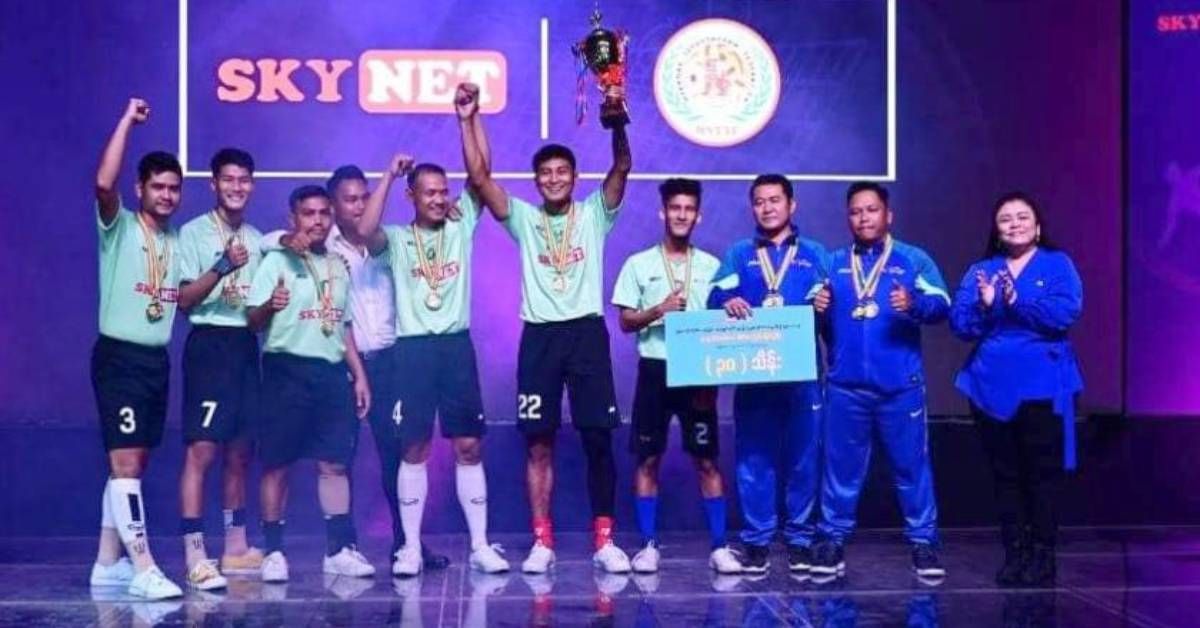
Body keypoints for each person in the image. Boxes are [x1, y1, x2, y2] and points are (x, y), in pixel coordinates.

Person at [457, 81, 634, 574]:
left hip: (586, 335)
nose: (554, 179)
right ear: (536, 181)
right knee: (538, 442)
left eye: (561, 172)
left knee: (598, 439)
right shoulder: (523, 218)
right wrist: (469, 118)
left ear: (575, 177)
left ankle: (605, 541)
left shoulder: (595, 214)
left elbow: (622, 167)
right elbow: (479, 177)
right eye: (545, 173)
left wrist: (617, 122)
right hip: (539, 338)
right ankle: (542, 542)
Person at [265, 165, 452, 572]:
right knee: (338, 459)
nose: (359, 206)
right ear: (332, 206)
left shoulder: (388, 243)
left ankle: (407, 545)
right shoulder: (319, 246)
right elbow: (268, 242)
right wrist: (285, 238)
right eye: (350, 199)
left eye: (364, 198)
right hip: (344, 366)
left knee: (396, 456)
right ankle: (342, 547)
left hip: (391, 362)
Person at [353, 145, 509, 576]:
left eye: (444, 192)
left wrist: (468, 119)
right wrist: (388, 174)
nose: (439, 199)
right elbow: (364, 230)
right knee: (414, 447)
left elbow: (481, 172)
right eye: (429, 193)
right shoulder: (397, 240)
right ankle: (410, 549)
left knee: (469, 445)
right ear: (412, 196)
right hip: (413, 351)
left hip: (456, 348)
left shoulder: (461, 226)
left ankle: (480, 545)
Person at [810, 182, 949, 581]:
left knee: (911, 468)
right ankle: (831, 540)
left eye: (871, 210)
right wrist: (817, 307)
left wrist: (916, 304)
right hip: (845, 387)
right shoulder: (833, 263)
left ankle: (924, 543)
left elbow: (943, 304)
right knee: (840, 469)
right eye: (856, 211)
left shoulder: (913, 260)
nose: (863, 218)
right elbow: (812, 314)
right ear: (848, 218)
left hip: (900, 387)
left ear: (888, 215)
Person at [949, 191, 1083, 587]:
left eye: (1022, 216)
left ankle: (1043, 554)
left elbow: (1064, 314)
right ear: (996, 230)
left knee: (1041, 475)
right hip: (990, 387)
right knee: (1004, 475)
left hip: (1043, 386)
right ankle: (1015, 552)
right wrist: (987, 305)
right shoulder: (983, 270)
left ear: (1037, 226)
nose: (1014, 224)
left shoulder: (1057, 264)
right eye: (1005, 219)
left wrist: (1015, 300)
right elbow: (961, 325)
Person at [610, 178, 740, 574]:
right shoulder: (639, 264)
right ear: (662, 212)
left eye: (688, 209)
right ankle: (649, 546)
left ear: (697, 216)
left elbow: (725, 321)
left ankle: (719, 547)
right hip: (655, 367)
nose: (681, 215)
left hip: (697, 370)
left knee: (707, 460)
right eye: (675, 208)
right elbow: (625, 322)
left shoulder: (713, 267)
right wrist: (658, 310)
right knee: (648, 459)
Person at [246, 185, 375, 582]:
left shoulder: (339, 264)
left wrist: (359, 375)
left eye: (323, 213)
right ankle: (273, 552)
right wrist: (270, 305)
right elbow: (252, 320)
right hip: (286, 370)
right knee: (277, 463)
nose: (317, 221)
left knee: (334, 463)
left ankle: (337, 551)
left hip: (331, 374)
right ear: (293, 218)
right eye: (308, 213)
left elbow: (343, 326)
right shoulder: (276, 260)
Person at [706, 174, 829, 574]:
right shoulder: (739, 254)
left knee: (803, 460)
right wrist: (727, 300)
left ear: (792, 205)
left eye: (775, 200)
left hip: (802, 376)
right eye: (759, 201)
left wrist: (826, 302)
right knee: (754, 460)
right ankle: (757, 543)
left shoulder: (816, 254)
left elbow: (833, 303)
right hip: (756, 373)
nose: (767, 207)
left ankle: (799, 540)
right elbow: (714, 296)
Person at [88, 97, 184, 599]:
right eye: (158, 187)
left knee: (134, 465)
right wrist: (127, 120)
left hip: (155, 362)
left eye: (173, 188)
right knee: (125, 466)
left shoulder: (174, 242)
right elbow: (103, 184)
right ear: (140, 189)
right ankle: (144, 567)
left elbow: (186, 294)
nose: (166, 195)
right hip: (120, 359)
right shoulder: (119, 225)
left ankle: (108, 563)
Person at [175, 148, 264, 590]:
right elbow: (183, 299)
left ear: (252, 185)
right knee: (203, 452)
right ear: (213, 184)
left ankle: (235, 547)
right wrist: (223, 265)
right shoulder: (193, 233)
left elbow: (255, 314)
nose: (236, 187)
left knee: (240, 452)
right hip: (209, 345)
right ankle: (195, 555)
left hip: (245, 346)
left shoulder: (258, 238)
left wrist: (272, 306)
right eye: (228, 179)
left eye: (243, 180)